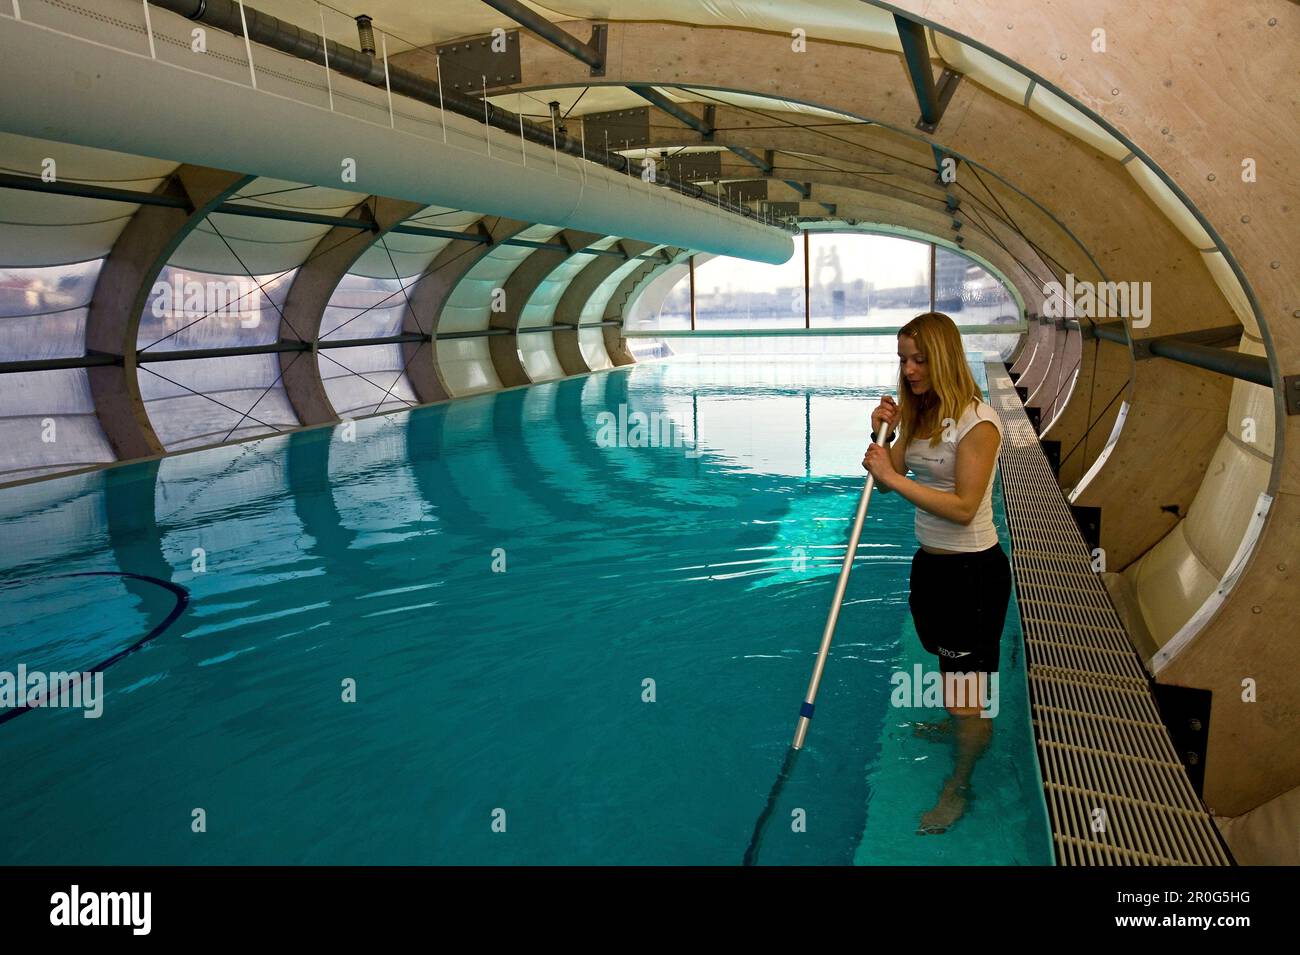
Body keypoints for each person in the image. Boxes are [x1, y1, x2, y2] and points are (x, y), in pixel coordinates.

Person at [861, 311, 1012, 835]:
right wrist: (887, 436)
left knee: (965, 693)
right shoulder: (922, 415)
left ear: (944, 358)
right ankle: (959, 724)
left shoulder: (979, 422)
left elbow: (966, 506)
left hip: (972, 574)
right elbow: (888, 480)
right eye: (903, 359)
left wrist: (889, 475)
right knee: (950, 674)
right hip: (931, 568)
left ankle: (959, 783)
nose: (909, 369)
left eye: (919, 359)